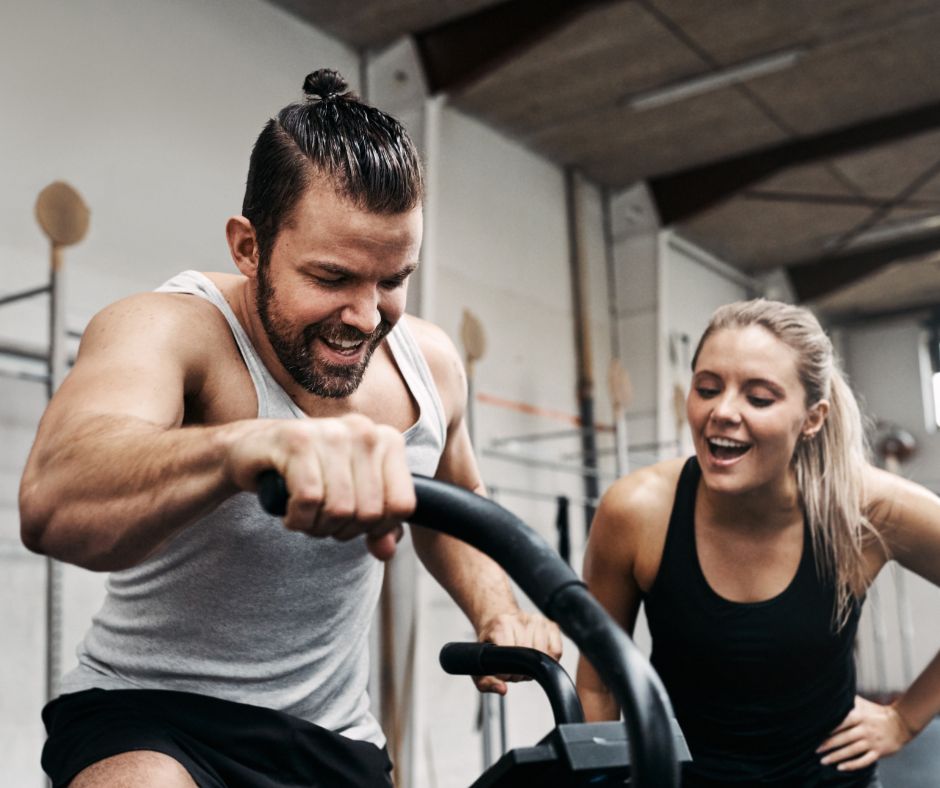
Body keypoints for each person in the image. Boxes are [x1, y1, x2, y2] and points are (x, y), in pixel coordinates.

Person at [19, 68, 561, 788]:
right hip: (151, 716)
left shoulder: (429, 364)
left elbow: (455, 502)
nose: (366, 318)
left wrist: (497, 610)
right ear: (248, 248)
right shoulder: (169, 329)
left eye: (393, 280)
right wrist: (249, 444)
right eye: (332, 278)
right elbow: (55, 500)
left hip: (333, 737)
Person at [576, 299, 940, 787]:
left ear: (812, 418)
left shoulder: (866, 510)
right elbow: (598, 681)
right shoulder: (636, 511)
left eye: (759, 399)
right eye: (707, 389)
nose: (722, 412)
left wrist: (905, 719)